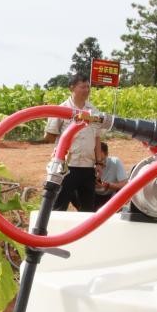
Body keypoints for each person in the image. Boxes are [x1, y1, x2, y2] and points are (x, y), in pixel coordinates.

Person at [43, 74, 103, 212]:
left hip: (88, 167)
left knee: (88, 209)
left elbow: (97, 138)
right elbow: (50, 137)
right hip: (66, 167)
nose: (86, 90)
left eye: (88, 87)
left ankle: (84, 233)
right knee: (59, 206)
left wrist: (99, 163)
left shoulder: (94, 112)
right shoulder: (61, 109)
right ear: (72, 88)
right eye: (82, 86)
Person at [94, 142, 127, 209]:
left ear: (106, 154)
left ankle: (114, 209)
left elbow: (125, 184)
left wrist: (108, 185)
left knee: (122, 191)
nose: (97, 158)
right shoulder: (88, 163)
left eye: (99, 154)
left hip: (110, 196)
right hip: (92, 195)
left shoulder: (115, 162)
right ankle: (84, 209)